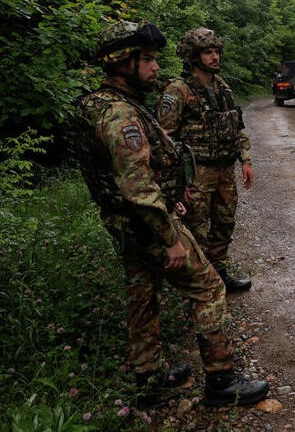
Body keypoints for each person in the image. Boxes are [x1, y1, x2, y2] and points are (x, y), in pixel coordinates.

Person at [73, 20, 268, 406]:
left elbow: (138, 171)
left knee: (142, 295)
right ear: (122, 62)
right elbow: (137, 187)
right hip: (148, 225)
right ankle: (221, 382)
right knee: (210, 288)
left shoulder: (103, 105)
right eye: (146, 60)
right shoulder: (121, 115)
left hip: (127, 224)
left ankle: (147, 377)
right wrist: (170, 236)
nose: (155, 67)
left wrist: (173, 191)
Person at [156, 27, 252, 293]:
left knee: (224, 224)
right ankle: (199, 285)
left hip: (224, 171)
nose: (215, 57)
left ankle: (219, 275)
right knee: (196, 229)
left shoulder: (223, 88)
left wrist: (245, 159)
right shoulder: (178, 91)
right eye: (208, 52)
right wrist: (178, 182)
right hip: (196, 174)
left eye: (217, 52)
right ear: (193, 56)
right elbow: (165, 141)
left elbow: (237, 125)